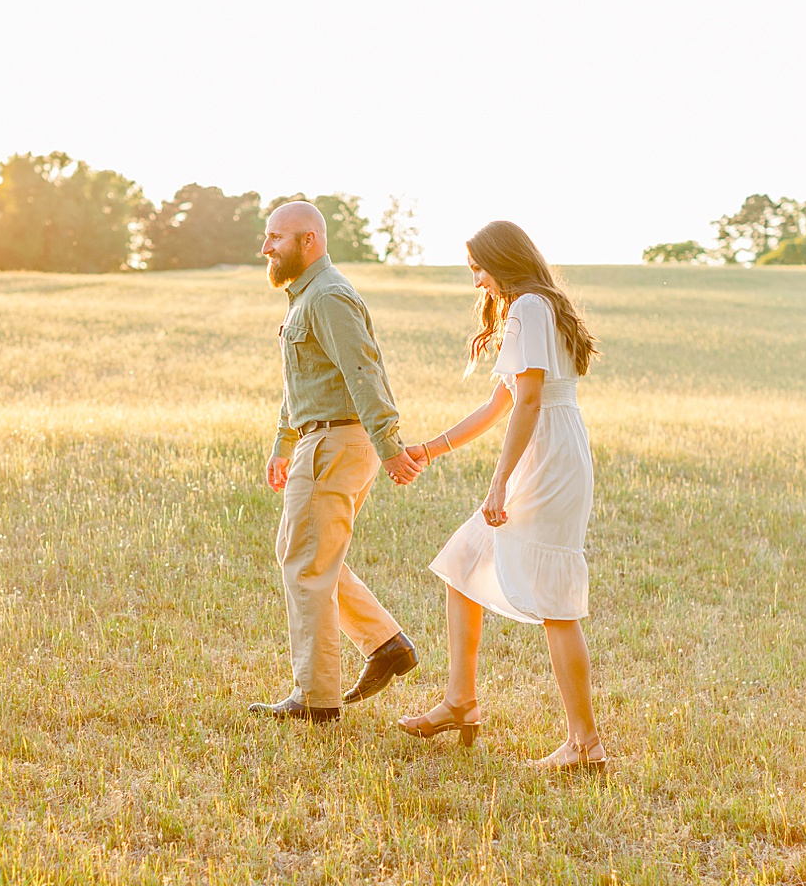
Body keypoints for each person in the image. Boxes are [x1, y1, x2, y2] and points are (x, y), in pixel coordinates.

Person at [396, 220, 607, 771]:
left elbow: (529, 402)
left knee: (556, 602)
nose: (476, 282)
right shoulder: (538, 306)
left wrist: (498, 482)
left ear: (504, 261)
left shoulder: (530, 308)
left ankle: (584, 743)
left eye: (479, 268)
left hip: (548, 456)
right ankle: (460, 703)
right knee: (463, 562)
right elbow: (498, 405)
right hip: (556, 449)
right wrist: (429, 449)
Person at [249, 201, 425, 724]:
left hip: (338, 442)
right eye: (266, 237)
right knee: (305, 554)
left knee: (308, 563)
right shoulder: (305, 297)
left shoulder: (328, 296)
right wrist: (284, 444)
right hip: (317, 438)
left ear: (309, 241)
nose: (265, 248)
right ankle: (387, 644)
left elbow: (362, 373)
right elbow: (302, 382)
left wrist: (391, 449)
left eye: (276, 238)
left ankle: (317, 699)